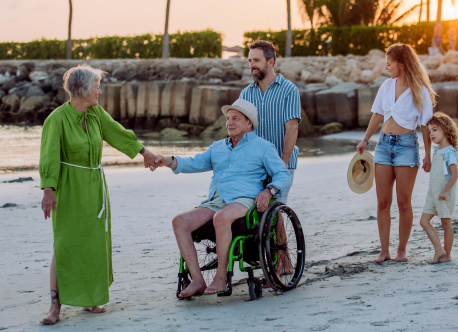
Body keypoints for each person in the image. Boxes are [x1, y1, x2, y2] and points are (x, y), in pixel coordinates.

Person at [39, 64, 157, 325]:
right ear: (82, 89)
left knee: (93, 243)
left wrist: (144, 153)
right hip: (69, 188)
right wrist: (48, 190)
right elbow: (49, 157)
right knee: (65, 244)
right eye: (96, 87)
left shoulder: (95, 114)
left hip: (94, 186)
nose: (100, 92)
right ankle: (55, 306)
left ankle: (91, 299)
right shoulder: (56, 119)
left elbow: (117, 133)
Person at [155, 99, 290, 297]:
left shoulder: (263, 147)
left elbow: (282, 174)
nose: (229, 123)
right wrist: (168, 161)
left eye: (235, 118)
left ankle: (221, 277)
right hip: (217, 200)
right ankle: (198, 281)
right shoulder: (217, 147)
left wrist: (268, 191)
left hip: (246, 200)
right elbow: (194, 162)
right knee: (180, 221)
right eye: (228, 119)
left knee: (221, 217)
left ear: (248, 123)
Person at [356, 44, 436, 263]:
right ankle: (384, 250)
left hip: (406, 146)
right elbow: (377, 115)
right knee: (382, 201)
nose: (386, 67)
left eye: (389, 64)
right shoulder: (386, 86)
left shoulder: (420, 90)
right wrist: (365, 139)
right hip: (383, 145)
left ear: (401, 65)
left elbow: (426, 125)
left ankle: (401, 250)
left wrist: (427, 154)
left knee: (403, 202)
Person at [240, 40, 301, 204]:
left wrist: (282, 164)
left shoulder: (289, 90)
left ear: (271, 62)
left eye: (256, 60)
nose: (252, 65)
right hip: (255, 167)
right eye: (250, 61)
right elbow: (241, 133)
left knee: (276, 210)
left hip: (281, 163)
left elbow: (292, 128)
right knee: (252, 212)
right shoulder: (245, 94)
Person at [420, 112, 458, 264]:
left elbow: (455, 174)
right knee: (424, 221)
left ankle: (446, 255)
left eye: (435, 130)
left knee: (446, 223)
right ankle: (439, 250)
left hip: (444, 193)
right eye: (429, 131)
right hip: (433, 192)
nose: (431, 134)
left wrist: (445, 191)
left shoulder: (449, 151)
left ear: (446, 129)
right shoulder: (437, 151)